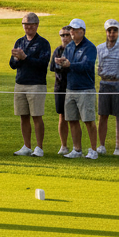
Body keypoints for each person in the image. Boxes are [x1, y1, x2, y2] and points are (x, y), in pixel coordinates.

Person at [9, 13, 51, 156]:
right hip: (20, 83)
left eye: (31, 24)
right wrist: (17, 59)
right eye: (26, 24)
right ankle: (27, 146)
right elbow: (12, 64)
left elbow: (43, 63)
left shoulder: (43, 43)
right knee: (23, 116)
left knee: (36, 116)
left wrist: (25, 58)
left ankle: (39, 148)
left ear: (37, 25)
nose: (28, 27)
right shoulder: (19, 42)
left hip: (36, 84)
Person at [57, 18, 98, 159]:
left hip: (85, 89)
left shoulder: (89, 47)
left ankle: (93, 150)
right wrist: (60, 63)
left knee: (88, 120)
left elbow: (87, 65)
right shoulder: (69, 47)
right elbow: (65, 63)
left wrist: (70, 65)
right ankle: (77, 149)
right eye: (71, 29)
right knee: (72, 119)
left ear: (83, 31)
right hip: (70, 88)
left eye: (75, 29)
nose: (72, 32)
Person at [96, 18, 119, 156]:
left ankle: (118, 147)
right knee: (102, 115)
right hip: (104, 84)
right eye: (110, 30)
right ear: (106, 32)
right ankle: (101, 145)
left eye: (115, 30)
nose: (112, 33)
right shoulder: (99, 48)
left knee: (118, 116)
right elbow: (97, 66)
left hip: (117, 84)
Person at [50, 26, 72, 155]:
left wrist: (66, 64)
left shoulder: (75, 50)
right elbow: (52, 67)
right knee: (62, 116)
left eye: (67, 35)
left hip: (74, 86)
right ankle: (64, 146)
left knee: (74, 117)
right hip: (60, 87)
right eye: (62, 35)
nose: (64, 38)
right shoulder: (58, 50)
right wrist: (59, 64)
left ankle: (77, 146)